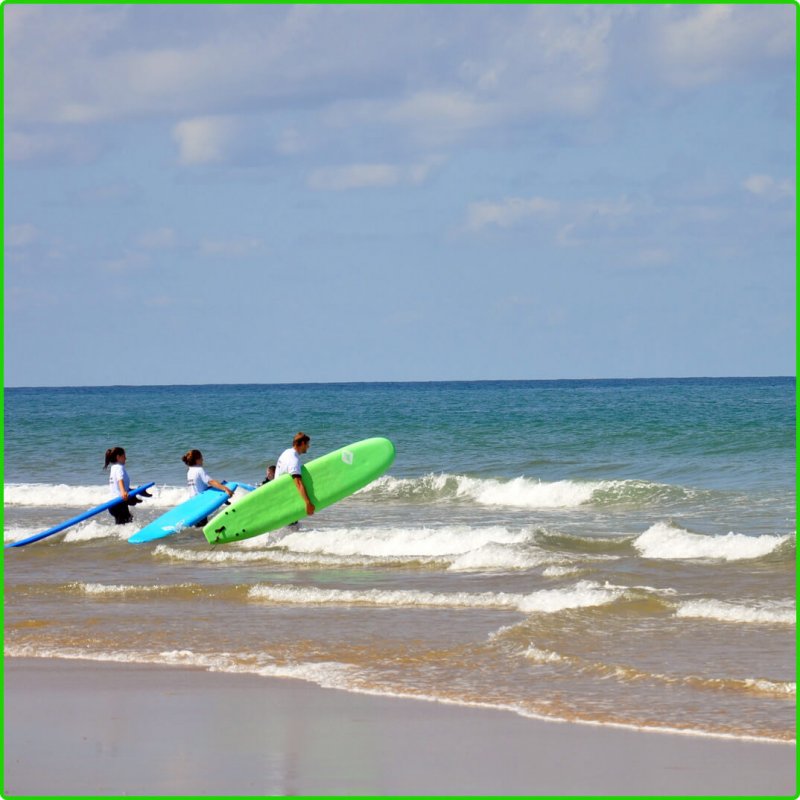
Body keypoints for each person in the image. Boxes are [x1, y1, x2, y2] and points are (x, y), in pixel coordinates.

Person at [181, 449, 234, 527]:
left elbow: (200, 486)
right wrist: (225, 489)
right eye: (201, 458)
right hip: (201, 502)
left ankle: (224, 500)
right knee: (202, 524)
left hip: (193, 501)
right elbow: (210, 481)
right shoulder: (199, 470)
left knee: (198, 524)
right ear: (197, 460)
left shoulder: (189, 471)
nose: (203, 460)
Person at [104, 446, 151, 525]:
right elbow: (120, 479)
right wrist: (123, 492)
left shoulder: (113, 468)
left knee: (123, 523)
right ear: (118, 457)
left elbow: (119, 487)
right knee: (126, 523)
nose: (126, 458)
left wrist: (137, 491)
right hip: (119, 503)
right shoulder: (119, 467)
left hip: (112, 504)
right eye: (124, 456)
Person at [275, 432, 315, 516]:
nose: (308, 446)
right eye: (307, 444)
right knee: (291, 523)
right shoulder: (293, 459)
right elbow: (298, 483)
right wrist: (308, 503)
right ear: (303, 443)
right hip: (284, 500)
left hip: (279, 495)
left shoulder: (287, 452)